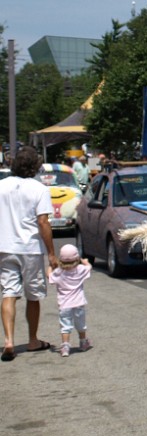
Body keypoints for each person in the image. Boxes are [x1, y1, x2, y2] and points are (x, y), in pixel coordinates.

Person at [0, 146, 59, 361]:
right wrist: (52, 254)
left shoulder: (1, 186)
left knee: (9, 292)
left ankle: (8, 340)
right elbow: (43, 222)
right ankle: (33, 340)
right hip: (30, 249)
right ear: (34, 167)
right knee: (33, 296)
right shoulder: (39, 189)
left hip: (5, 247)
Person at [49, 243, 92, 357]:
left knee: (65, 326)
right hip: (79, 303)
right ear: (77, 258)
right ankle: (83, 343)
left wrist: (50, 267)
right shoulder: (80, 269)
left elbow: (49, 276)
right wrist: (85, 261)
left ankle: (65, 347)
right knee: (80, 323)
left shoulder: (59, 272)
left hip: (64, 305)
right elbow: (89, 267)